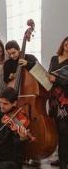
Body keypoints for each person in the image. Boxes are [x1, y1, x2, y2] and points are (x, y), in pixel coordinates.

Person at [48, 36, 68, 169]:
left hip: (65, 99)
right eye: (67, 42)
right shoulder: (54, 58)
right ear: (63, 43)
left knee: (63, 130)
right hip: (53, 99)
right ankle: (61, 158)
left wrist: (56, 80)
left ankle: (63, 161)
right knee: (56, 128)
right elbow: (49, 74)